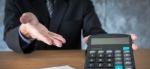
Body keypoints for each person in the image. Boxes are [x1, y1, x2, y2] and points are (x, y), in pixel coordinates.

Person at [3, 0, 138, 53]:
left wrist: (106, 42)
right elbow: (9, 35)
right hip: (29, 68)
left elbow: (94, 31)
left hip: (70, 67)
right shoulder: (16, 1)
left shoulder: (82, 2)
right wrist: (25, 31)